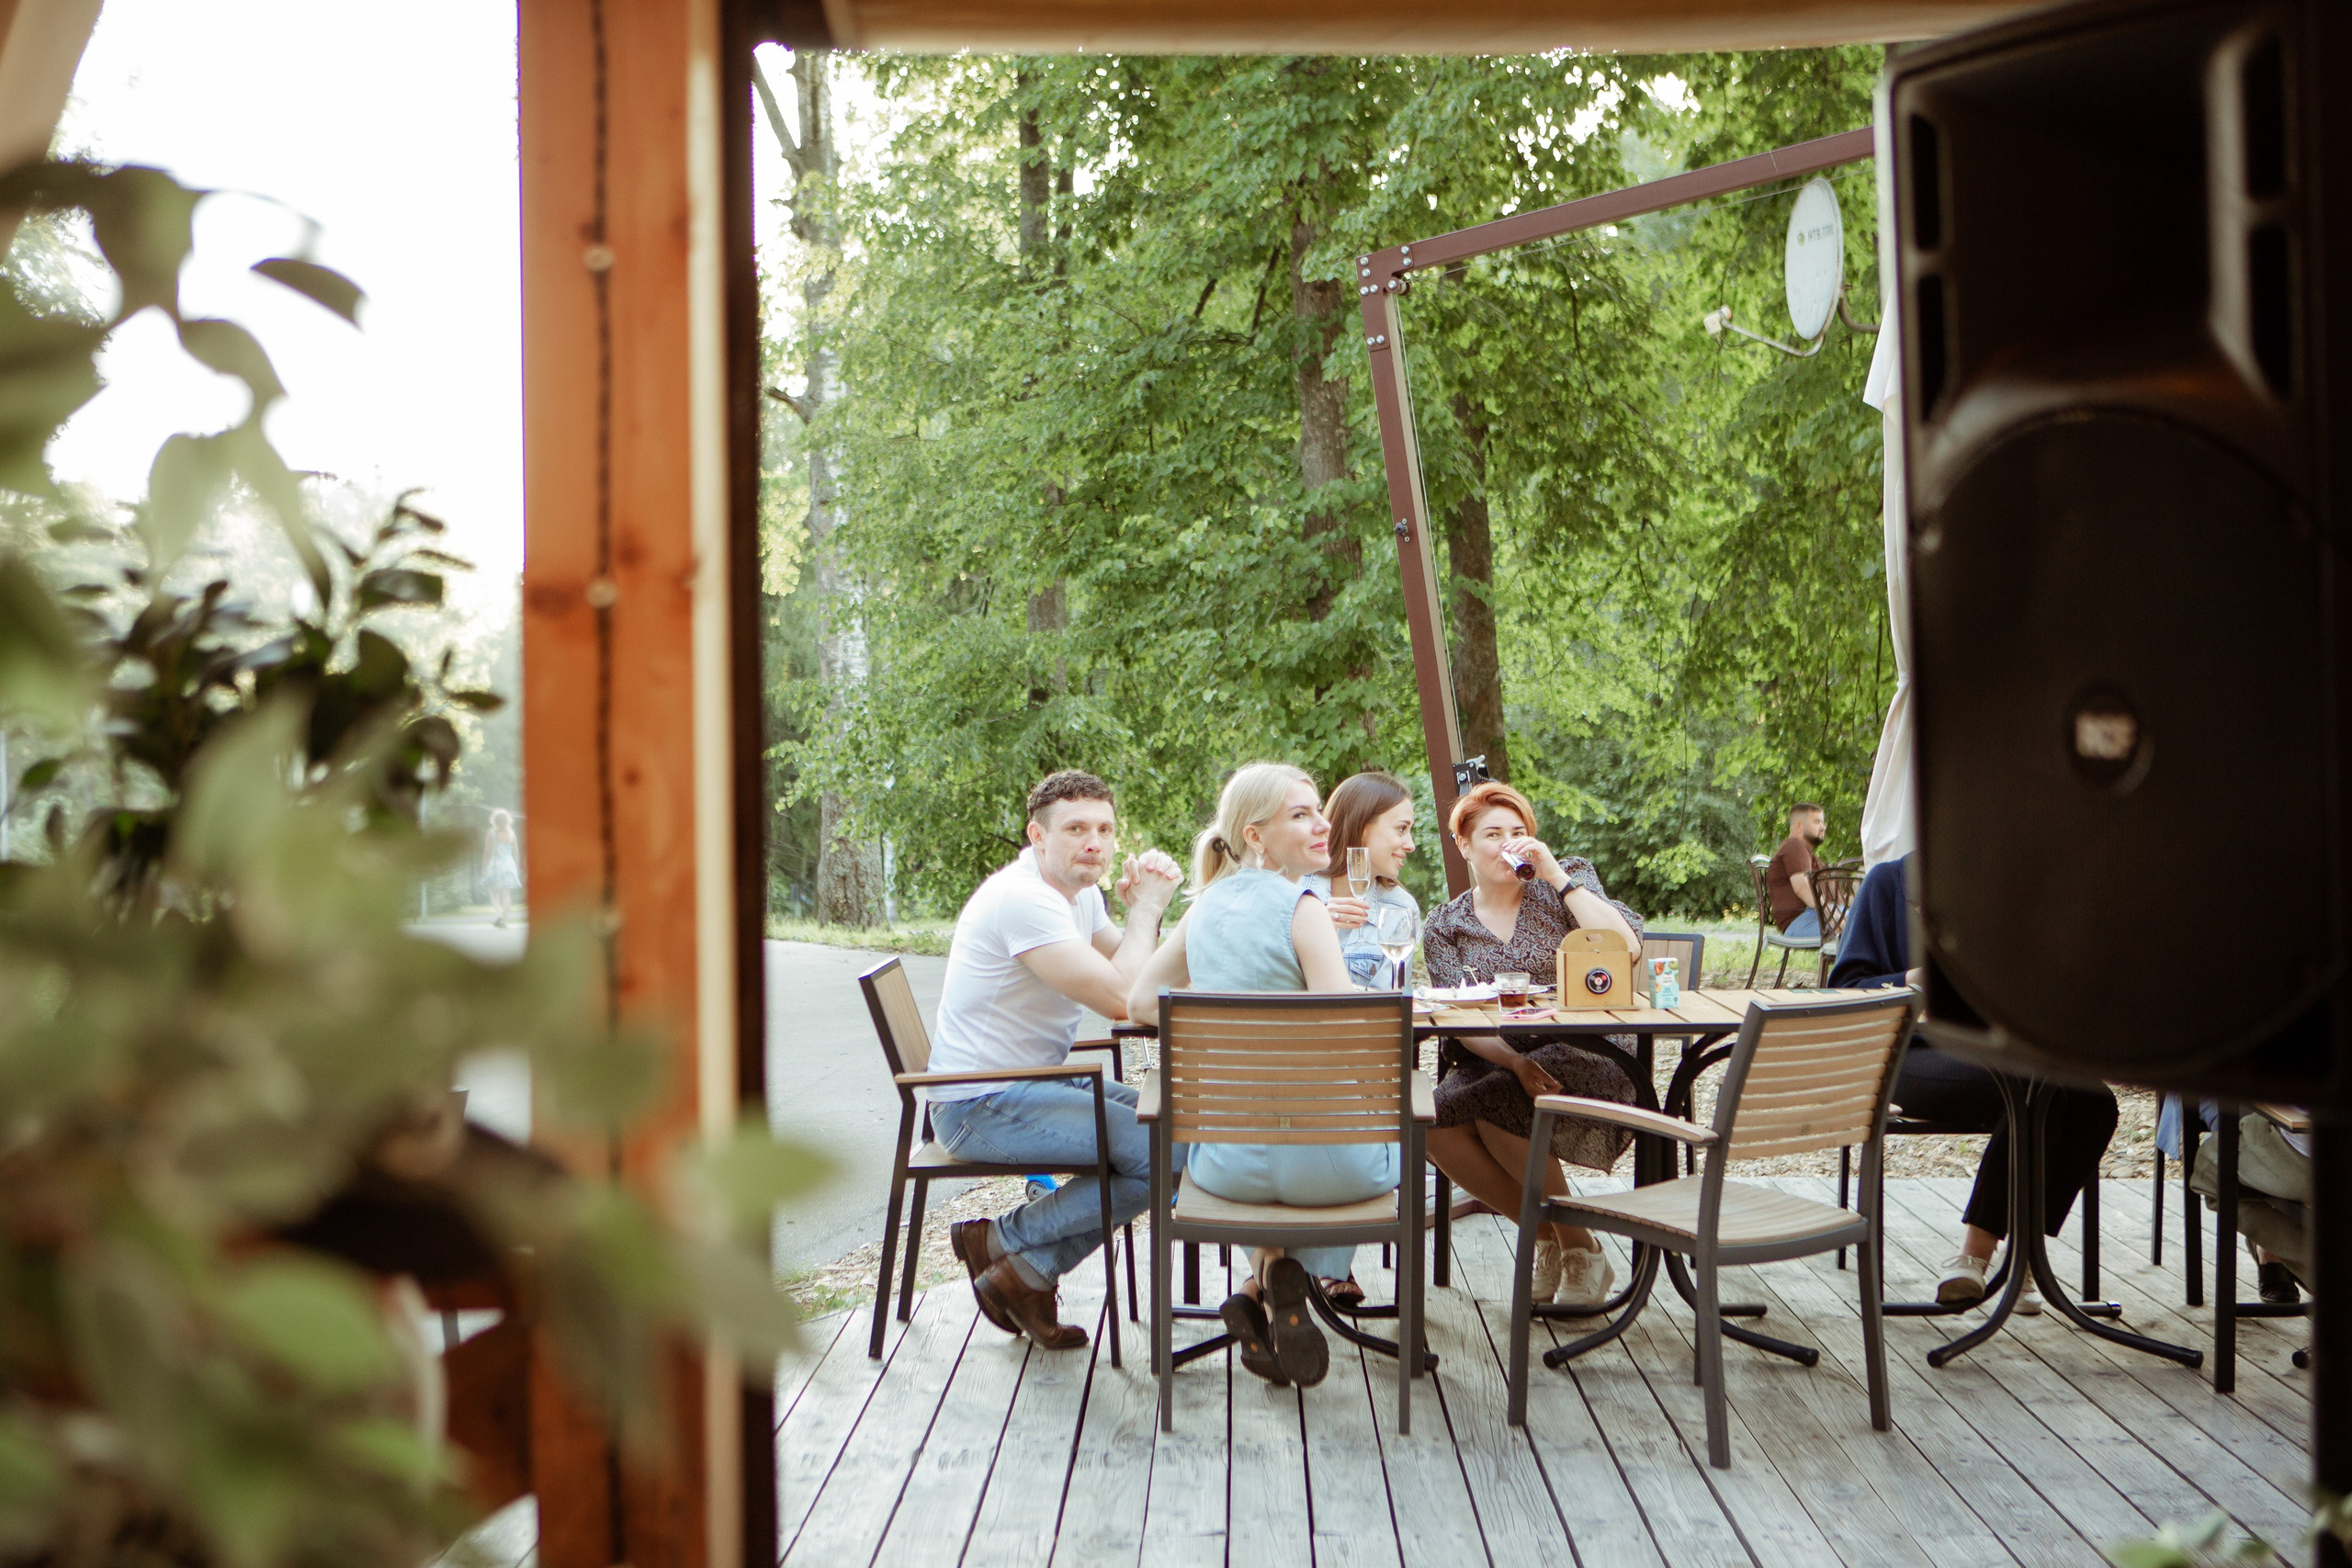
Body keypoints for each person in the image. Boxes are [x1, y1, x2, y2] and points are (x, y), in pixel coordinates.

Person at [1127, 762, 1397, 1389]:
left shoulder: (1207, 906)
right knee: (1400, 1132)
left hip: (1227, 1171)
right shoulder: (1307, 907)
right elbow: (1345, 1030)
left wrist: (1227, 1008)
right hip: (1332, 1173)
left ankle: (1264, 1281)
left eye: (1317, 810)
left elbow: (1142, 1002)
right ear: (1255, 835)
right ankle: (1276, 1283)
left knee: (1276, 1136)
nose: (1321, 822)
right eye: (1300, 814)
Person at [928, 770, 1184, 1350]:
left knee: (1176, 1133)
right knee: (1161, 1151)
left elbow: (1138, 973)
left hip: (1028, 1087)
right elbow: (1125, 999)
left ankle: (1022, 1264)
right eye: (1075, 829)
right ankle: (1006, 1250)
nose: (1094, 841)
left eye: (1104, 828)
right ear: (1037, 836)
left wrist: (1168, 926)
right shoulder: (1025, 900)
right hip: (979, 1104)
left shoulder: (1078, 896)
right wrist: (1145, 909)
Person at [1829, 853, 2118, 1313]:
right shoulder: (1891, 882)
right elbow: (1844, 988)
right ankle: (1977, 1256)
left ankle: (2023, 1256)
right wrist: (1915, 979)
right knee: (2030, 1087)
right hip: (1907, 1051)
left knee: (2093, 1102)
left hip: (1999, 1055)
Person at [1419, 781, 1645, 1313]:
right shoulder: (1446, 924)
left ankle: (1574, 1252)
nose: (1508, 844)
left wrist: (1559, 876)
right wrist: (1514, 1061)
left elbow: (1629, 950)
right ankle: (1561, 1239)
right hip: (1498, 1056)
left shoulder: (1566, 884)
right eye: (1492, 834)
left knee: (1501, 1101)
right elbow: (1455, 1015)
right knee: (1433, 1118)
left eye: (1519, 833)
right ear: (1465, 846)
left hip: (1590, 1049)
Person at [1303, 771, 1421, 989]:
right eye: (1401, 829)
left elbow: (1390, 1003)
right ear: (1362, 828)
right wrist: (1312, 928)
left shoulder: (1400, 909)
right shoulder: (1294, 892)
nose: (1410, 845)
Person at [1765, 801, 1826, 940]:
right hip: (1802, 922)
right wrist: (1834, 917)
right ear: (1799, 826)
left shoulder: (1805, 852)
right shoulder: (1794, 847)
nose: (1823, 827)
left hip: (1814, 918)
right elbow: (1802, 887)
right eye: (1817, 822)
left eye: (1823, 822)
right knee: (1866, 927)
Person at [481, 809, 522, 928]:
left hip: (495, 866)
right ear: (508, 820)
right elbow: (516, 853)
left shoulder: (491, 834)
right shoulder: (512, 834)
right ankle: (503, 920)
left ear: (494, 821)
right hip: (509, 865)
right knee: (506, 894)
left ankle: (499, 915)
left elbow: (487, 853)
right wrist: (517, 868)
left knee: (494, 893)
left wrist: (484, 867)